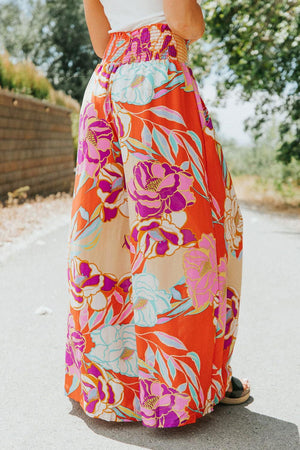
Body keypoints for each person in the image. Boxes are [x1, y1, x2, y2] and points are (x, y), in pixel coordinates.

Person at [65, 0, 250, 429]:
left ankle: (115, 385)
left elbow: (100, 39)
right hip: (157, 81)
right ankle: (179, 388)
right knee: (182, 239)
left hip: (106, 85)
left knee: (108, 239)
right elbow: (187, 22)